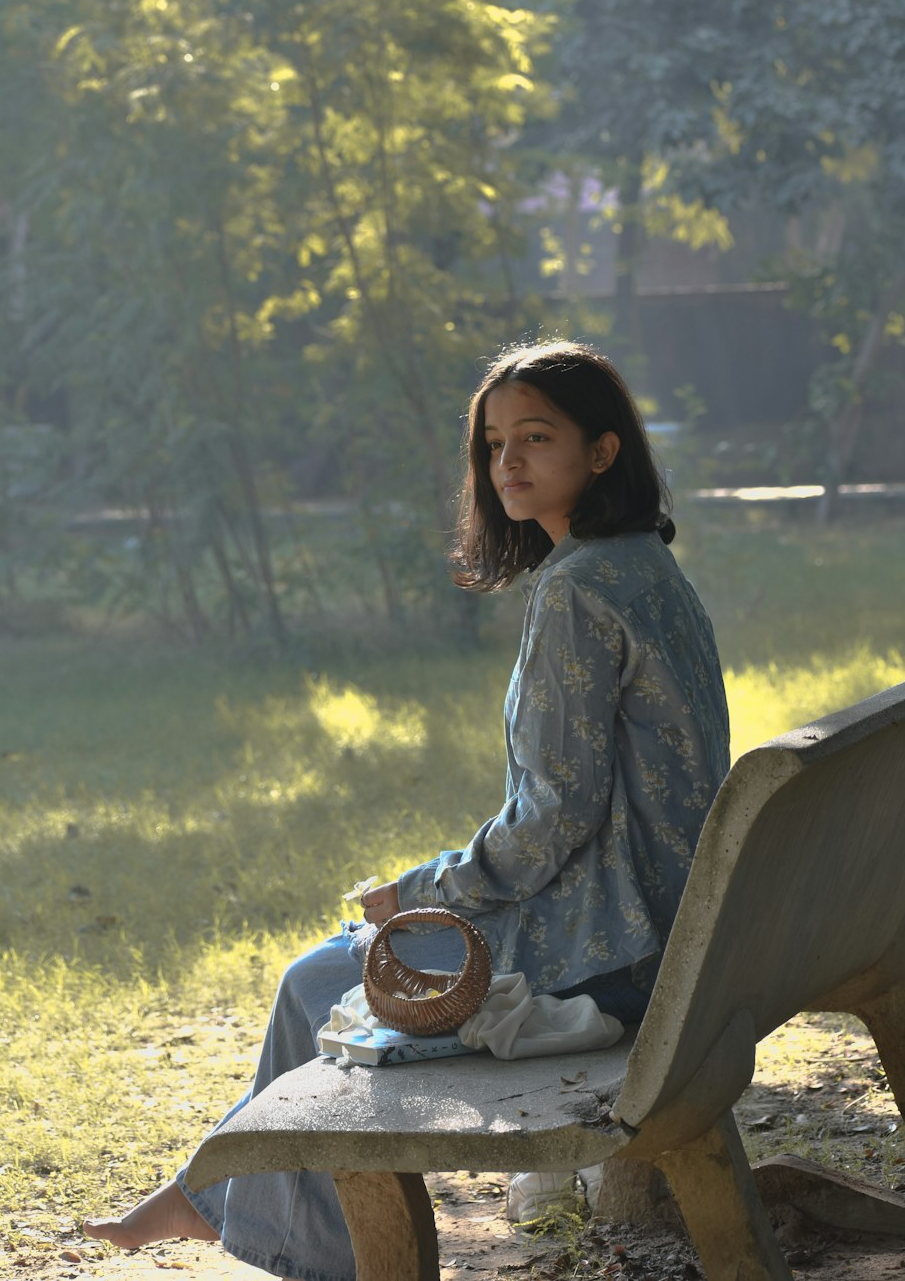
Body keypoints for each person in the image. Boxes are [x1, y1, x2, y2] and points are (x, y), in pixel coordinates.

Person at [84, 339, 729, 1281]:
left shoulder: (579, 593)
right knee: (327, 972)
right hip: (675, 921)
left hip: (621, 949)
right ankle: (209, 1198)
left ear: (602, 451)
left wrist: (425, 887)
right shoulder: (642, 567)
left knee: (315, 984)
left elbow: (554, 818)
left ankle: (297, 1245)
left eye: (535, 437)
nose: (507, 461)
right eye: (495, 442)